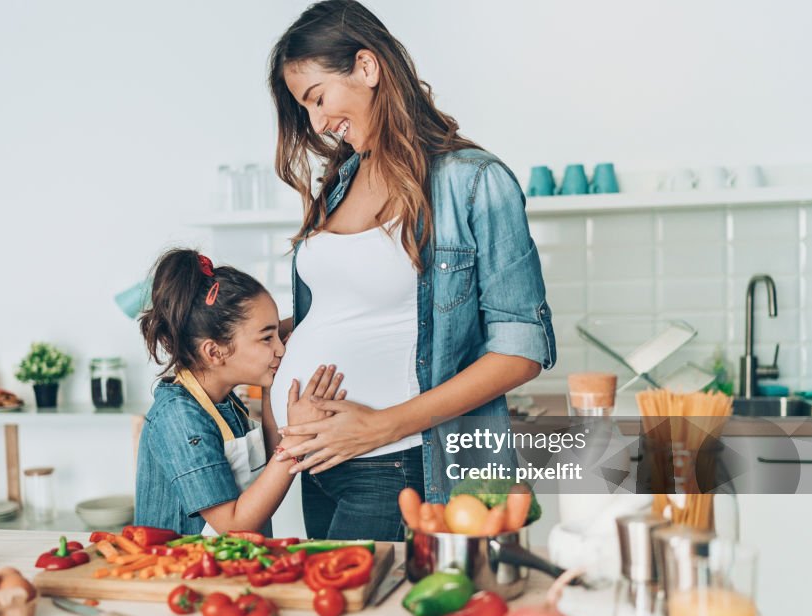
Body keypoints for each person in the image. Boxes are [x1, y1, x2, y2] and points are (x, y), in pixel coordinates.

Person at [266, 0, 557, 541]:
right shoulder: (342, 180)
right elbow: (357, 309)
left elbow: (521, 350)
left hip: (398, 465)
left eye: (318, 98)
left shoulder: (474, 181)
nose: (318, 123)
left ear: (367, 68)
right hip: (319, 464)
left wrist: (380, 425)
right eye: (304, 108)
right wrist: (264, 339)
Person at [134, 248, 343, 535]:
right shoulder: (180, 418)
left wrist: (272, 387)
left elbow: (271, 462)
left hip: (223, 569)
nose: (280, 348)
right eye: (266, 337)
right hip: (180, 573)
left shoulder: (225, 401)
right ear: (214, 351)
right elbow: (233, 525)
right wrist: (297, 442)